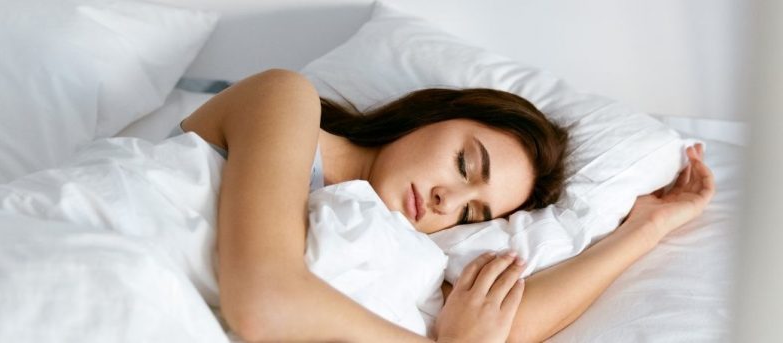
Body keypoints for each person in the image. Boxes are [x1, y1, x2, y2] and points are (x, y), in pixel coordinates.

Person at [177, 69, 715, 342]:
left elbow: (503, 321)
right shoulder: (283, 98)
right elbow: (265, 301)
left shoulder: (395, 244)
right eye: (465, 164)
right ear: (431, 115)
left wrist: (647, 226)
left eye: (471, 215)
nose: (446, 202)